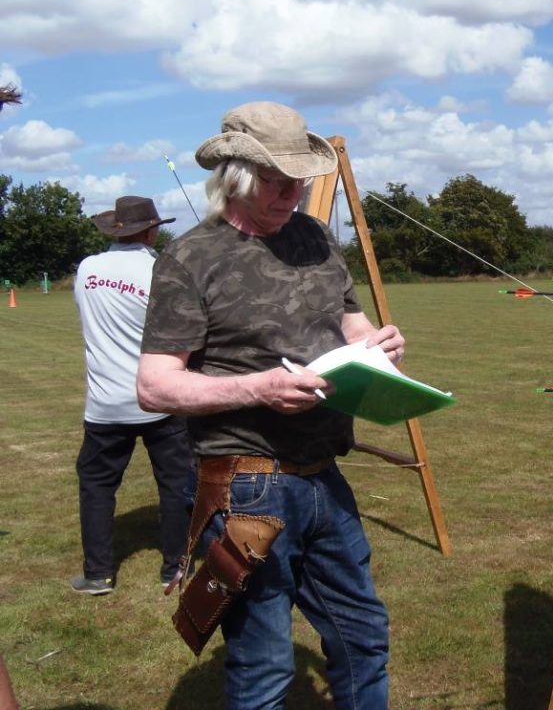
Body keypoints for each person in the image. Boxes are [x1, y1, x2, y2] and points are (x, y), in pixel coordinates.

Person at [136, 101, 404, 709]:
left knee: (363, 635)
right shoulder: (190, 257)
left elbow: (351, 323)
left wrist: (379, 345)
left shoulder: (313, 236)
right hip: (247, 488)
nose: (293, 191)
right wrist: (256, 387)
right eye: (276, 179)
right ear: (234, 176)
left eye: (299, 178)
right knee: (264, 664)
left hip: (325, 478)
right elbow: (154, 385)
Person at [72, 196, 192, 595]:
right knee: (175, 484)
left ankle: (98, 573)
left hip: (105, 404)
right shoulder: (161, 270)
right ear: (151, 230)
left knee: (97, 486)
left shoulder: (88, 268)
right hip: (159, 396)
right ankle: (174, 567)